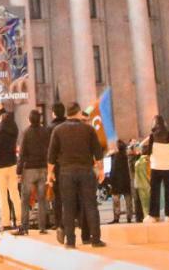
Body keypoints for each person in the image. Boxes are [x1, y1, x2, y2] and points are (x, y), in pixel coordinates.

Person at [48, 101, 105, 249]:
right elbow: (98, 153)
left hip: (66, 172)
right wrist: (100, 170)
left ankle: (71, 242)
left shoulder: (58, 130)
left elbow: (51, 155)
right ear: (79, 113)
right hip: (85, 170)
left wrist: (50, 174)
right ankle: (96, 239)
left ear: (68, 113)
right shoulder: (88, 130)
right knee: (91, 205)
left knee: (68, 207)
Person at [16, 108, 51, 234]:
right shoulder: (45, 131)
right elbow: (49, 149)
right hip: (43, 168)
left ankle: (25, 227)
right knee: (42, 199)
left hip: (29, 169)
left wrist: (19, 171)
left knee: (25, 199)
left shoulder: (26, 132)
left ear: (29, 120)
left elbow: (22, 153)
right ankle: (42, 227)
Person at [0, 111, 21, 232]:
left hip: (1, 168)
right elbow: (12, 123)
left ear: (2, 121)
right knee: (15, 194)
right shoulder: (13, 133)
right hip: (13, 165)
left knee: (3, 196)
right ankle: (20, 221)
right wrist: (2, 109)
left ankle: (6, 222)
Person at [146, 115, 169, 221]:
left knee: (154, 191)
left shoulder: (152, 136)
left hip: (156, 166)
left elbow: (148, 152)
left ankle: (154, 215)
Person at [107, 139, 134, 224]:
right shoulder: (127, 156)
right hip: (126, 181)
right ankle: (129, 217)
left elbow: (113, 170)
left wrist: (110, 181)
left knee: (116, 201)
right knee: (128, 200)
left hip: (116, 182)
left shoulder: (115, 157)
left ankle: (116, 218)